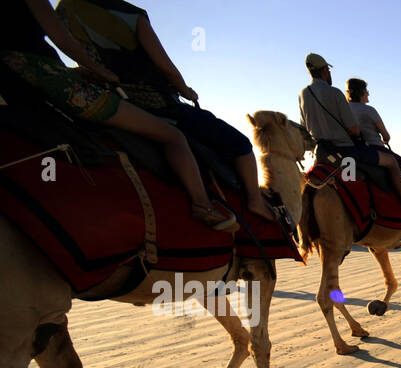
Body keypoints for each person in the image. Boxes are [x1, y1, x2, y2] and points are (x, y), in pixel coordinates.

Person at [2, 0, 235, 229]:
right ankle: (203, 205)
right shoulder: (131, 14)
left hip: (10, 81)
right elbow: (60, 38)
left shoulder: (65, 9)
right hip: (41, 75)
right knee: (173, 136)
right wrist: (102, 72)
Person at [53, 0, 274, 221]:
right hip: (158, 104)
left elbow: (80, 64)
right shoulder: (129, 14)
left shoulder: (62, 12)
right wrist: (185, 89)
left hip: (112, 104)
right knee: (241, 144)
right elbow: (165, 66)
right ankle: (253, 201)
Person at [298, 53, 401, 216]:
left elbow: (304, 129)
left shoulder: (303, 94)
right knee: (392, 162)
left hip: (320, 154)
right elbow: (353, 129)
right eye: (328, 70)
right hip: (345, 152)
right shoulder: (335, 93)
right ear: (325, 71)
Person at [344, 77, 401, 209]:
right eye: (366, 90)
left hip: (353, 148)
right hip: (375, 148)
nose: (368, 93)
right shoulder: (369, 110)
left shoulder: (344, 109)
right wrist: (385, 140)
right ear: (361, 92)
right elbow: (386, 135)